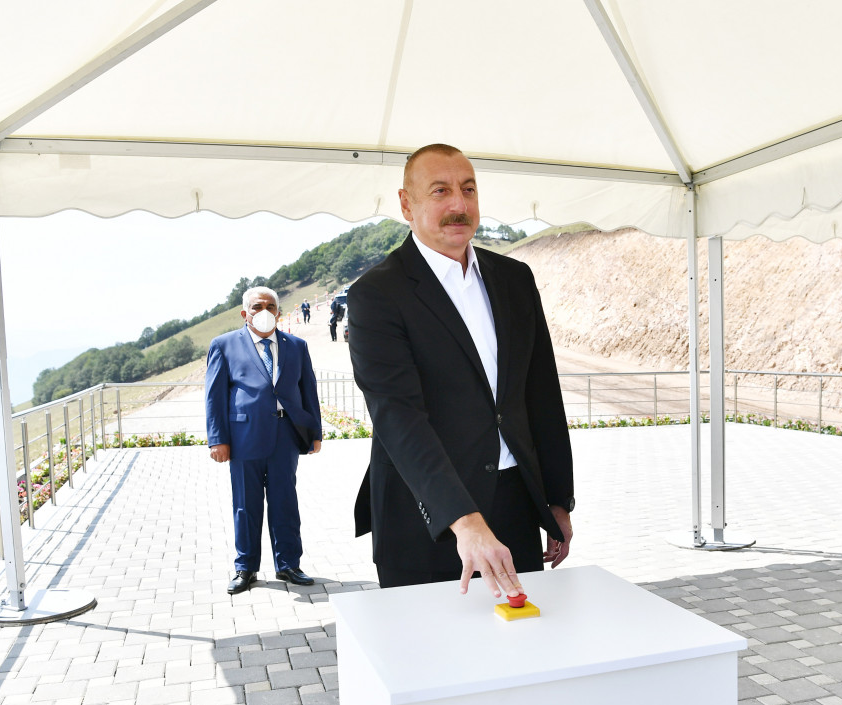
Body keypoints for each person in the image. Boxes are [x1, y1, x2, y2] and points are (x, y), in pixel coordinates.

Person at [348, 143, 574, 597]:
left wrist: (556, 499)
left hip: (515, 503)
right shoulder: (377, 293)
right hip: (426, 515)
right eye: (440, 191)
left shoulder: (515, 279)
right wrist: (463, 519)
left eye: (468, 189)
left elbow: (541, 394)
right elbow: (398, 417)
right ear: (407, 204)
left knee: (524, 633)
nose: (459, 204)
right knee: (432, 640)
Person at [205, 286, 325, 594]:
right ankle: (245, 568)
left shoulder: (296, 346)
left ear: (279, 313)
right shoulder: (224, 345)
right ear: (244, 313)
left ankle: (288, 564)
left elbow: (308, 391)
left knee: (285, 502)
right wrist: (217, 439)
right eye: (257, 307)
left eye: (271, 306)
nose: (264, 311)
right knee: (246, 505)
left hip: (286, 436)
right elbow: (214, 397)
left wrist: (315, 433)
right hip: (243, 437)